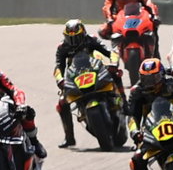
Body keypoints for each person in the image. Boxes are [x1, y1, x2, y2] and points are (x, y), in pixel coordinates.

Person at [52, 19, 121, 148]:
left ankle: (124, 102)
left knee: (115, 74)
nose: (73, 42)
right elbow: (58, 67)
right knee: (62, 103)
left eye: (76, 37)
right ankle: (69, 138)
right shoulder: (62, 48)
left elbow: (110, 52)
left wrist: (113, 63)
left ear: (82, 34)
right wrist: (60, 80)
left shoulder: (91, 39)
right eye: (70, 38)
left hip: (95, 69)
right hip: (76, 75)